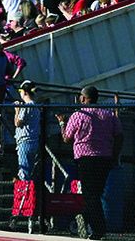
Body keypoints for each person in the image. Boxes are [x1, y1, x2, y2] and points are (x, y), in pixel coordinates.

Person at [55, 86, 122, 240]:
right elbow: (119, 135)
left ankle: (98, 229)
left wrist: (62, 123)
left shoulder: (78, 115)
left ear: (84, 98)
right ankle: (90, 224)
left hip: (85, 158)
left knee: (90, 195)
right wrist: (115, 155)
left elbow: (66, 138)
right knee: (96, 193)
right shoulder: (108, 115)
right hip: (104, 158)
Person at [13, 81, 41, 180]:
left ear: (25, 92)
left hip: (24, 141)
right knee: (29, 170)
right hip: (34, 141)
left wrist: (17, 110)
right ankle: (28, 186)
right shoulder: (36, 106)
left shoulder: (26, 106)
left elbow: (18, 123)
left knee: (24, 171)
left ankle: (25, 188)